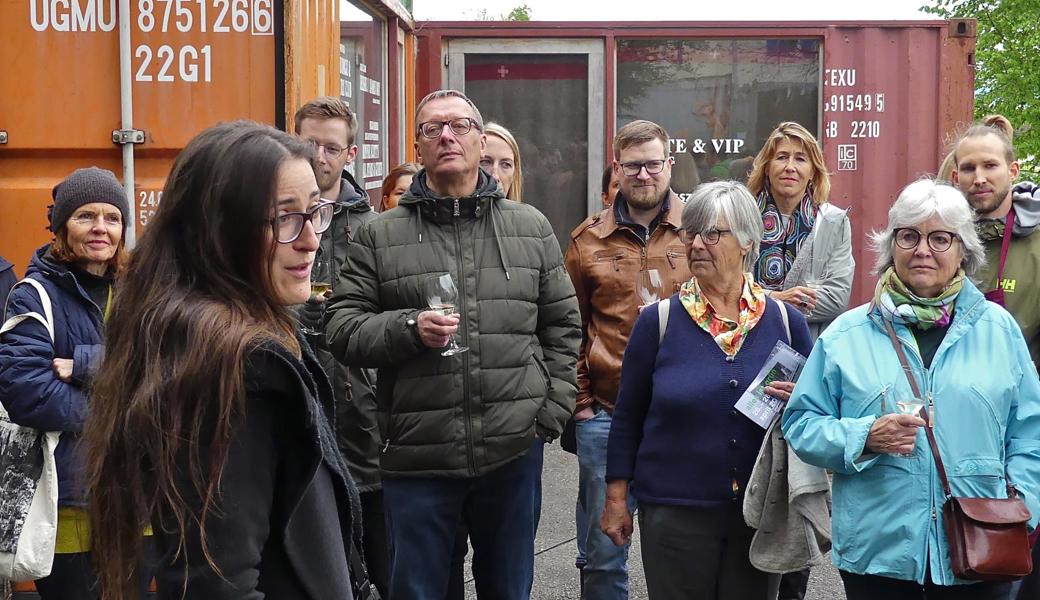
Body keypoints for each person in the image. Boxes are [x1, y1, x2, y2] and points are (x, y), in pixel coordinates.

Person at [84, 122, 364, 599]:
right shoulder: (236, 367)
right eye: (283, 219)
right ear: (218, 232)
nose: (311, 239)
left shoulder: (215, 339)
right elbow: (216, 584)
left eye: (315, 210)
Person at [325, 89, 581, 600]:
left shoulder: (528, 228)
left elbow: (563, 327)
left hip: (511, 452)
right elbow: (341, 327)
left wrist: (546, 415)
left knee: (507, 589)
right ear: (418, 147)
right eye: (432, 128)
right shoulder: (379, 235)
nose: (446, 136)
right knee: (419, 592)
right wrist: (407, 328)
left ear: (479, 140)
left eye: (460, 126)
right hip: (418, 458)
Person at [782, 179, 1040, 599]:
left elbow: (1031, 432)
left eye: (940, 238)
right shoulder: (847, 334)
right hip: (879, 554)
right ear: (891, 246)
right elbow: (801, 423)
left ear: (963, 251)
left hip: (982, 544)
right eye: (909, 236)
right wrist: (864, 436)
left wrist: (1024, 509)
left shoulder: (998, 330)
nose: (923, 249)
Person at [603, 181, 814, 599]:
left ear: (748, 241)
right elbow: (627, 417)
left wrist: (802, 403)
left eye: (713, 233)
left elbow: (819, 412)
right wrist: (616, 497)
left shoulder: (787, 324)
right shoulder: (657, 323)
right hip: (674, 511)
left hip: (759, 512)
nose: (698, 244)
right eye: (691, 232)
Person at [564, 119, 692, 600]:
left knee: (681, 550)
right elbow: (568, 328)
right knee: (602, 556)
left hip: (681, 417)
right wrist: (581, 405)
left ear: (669, 166)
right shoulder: (587, 240)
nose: (644, 175)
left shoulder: (698, 229)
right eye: (633, 166)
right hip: (608, 416)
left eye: (653, 164)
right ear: (617, 170)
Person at [0, 167, 137, 599]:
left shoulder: (143, 295)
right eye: (86, 216)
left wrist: (82, 364)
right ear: (61, 227)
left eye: (112, 218)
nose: (100, 228)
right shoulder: (32, 295)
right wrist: (127, 408)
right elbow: (29, 393)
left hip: (140, 502)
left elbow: (167, 372)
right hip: (67, 511)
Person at [293, 96, 388, 595]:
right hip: (293, 408)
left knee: (377, 559)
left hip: (360, 420)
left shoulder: (373, 231)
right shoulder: (272, 221)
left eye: (331, 147)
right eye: (309, 143)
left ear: (350, 155)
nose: (319, 156)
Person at [944, 117, 1040, 600]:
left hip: (1024, 419)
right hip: (964, 421)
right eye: (967, 167)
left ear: (1012, 169)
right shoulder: (944, 240)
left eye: (989, 165)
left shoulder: (1036, 239)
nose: (978, 177)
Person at [747, 122, 854, 341]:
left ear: (813, 171)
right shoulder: (742, 216)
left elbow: (836, 297)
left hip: (806, 346)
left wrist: (760, 300)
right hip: (748, 342)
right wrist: (777, 299)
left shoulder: (834, 222)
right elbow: (727, 287)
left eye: (801, 159)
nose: (790, 167)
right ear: (767, 166)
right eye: (782, 157)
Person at [481, 122, 523, 202]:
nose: (495, 176)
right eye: (485, 162)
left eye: (506, 164)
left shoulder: (528, 214)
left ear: (514, 174)